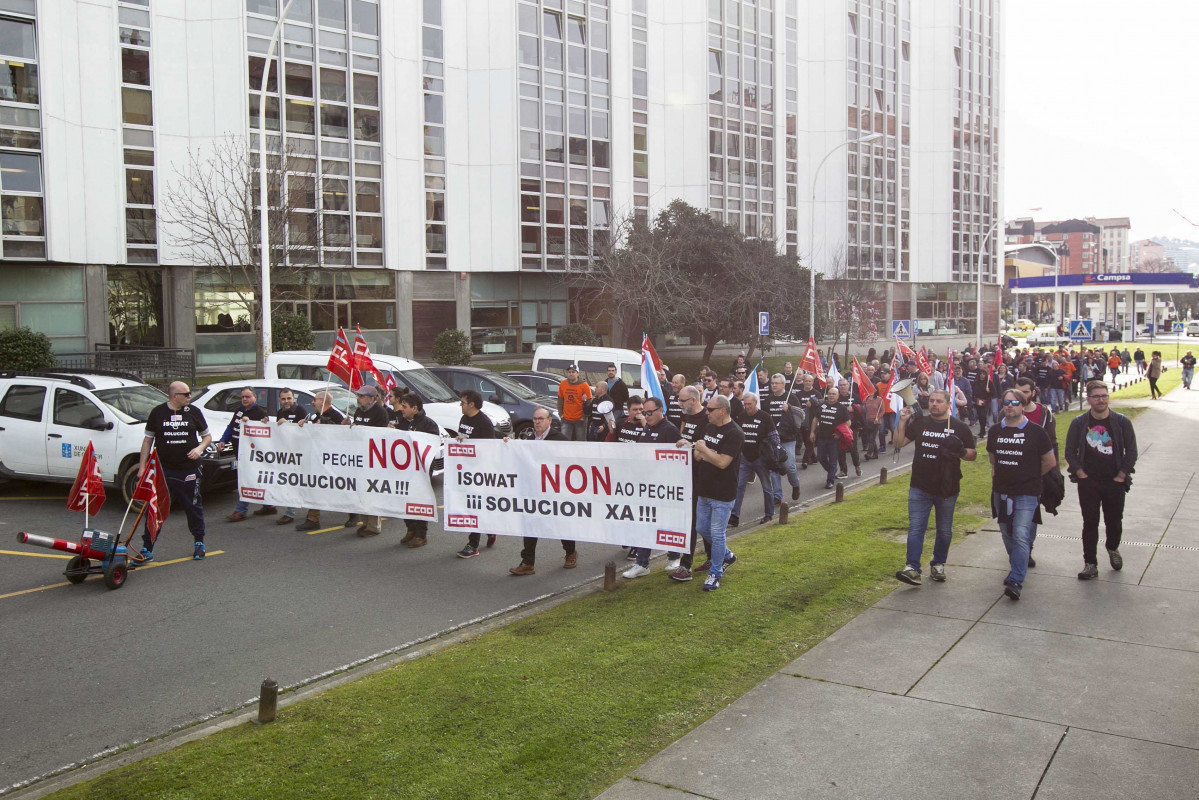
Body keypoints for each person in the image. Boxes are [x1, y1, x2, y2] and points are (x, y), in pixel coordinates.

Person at [893, 390, 977, 585]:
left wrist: (961, 450)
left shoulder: (959, 427)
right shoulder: (921, 422)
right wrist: (903, 421)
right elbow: (898, 443)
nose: (934, 404)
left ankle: (938, 564)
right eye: (931, 401)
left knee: (944, 530)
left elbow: (973, 455)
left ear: (948, 404)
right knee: (916, 528)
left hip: (947, 488)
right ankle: (912, 568)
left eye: (939, 401)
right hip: (920, 485)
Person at [988, 388, 1057, 601]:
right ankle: (1018, 562)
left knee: (1020, 533)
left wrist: (1030, 475)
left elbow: (1050, 462)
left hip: (1027, 492)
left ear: (1022, 405)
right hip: (1002, 492)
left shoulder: (1036, 432)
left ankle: (1016, 579)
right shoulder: (995, 431)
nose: (1010, 406)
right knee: (1006, 533)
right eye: (1006, 402)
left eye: (1015, 402)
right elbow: (993, 459)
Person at [1065, 380, 1138, 580]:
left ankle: (1113, 547)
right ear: (1088, 399)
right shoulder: (1079, 423)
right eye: (1096, 396)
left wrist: (1122, 475)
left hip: (1114, 481)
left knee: (1114, 521)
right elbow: (1070, 452)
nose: (1101, 400)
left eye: (1104, 396)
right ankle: (1090, 563)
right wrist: (1080, 473)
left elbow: (1131, 451)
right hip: (1088, 481)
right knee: (1090, 522)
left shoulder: (1122, 422)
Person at [139, 381, 212, 562]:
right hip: (163, 469)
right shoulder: (158, 413)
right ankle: (147, 548)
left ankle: (199, 542)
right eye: (186, 394)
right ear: (174, 396)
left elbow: (207, 437)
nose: (189, 397)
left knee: (192, 505)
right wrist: (142, 468)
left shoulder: (194, 412)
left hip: (188, 469)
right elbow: (147, 441)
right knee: (155, 508)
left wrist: (199, 449)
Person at [686, 395, 742, 592]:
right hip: (705, 489)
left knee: (718, 533)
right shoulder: (709, 427)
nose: (706, 412)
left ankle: (716, 572)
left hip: (723, 493)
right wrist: (705, 452)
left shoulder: (734, 433)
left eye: (710, 409)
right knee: (702, 527)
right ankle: (727, 555)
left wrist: (705, 451)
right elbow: (697, 456)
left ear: (722, 411)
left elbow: (723, 463)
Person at [622, 396, 683, 578]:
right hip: (646, 484)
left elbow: (677, 460)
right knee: (644, 521)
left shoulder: (670, 430)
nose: (645, 416)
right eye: (643, 412)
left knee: (668, 522)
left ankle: (674, 557)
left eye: (649, 412)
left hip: (664, 485)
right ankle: (642, 563)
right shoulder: (646, 427)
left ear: (660, 410)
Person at [509, 408, 574, 575]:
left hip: (555, 491)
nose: (537, 422)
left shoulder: (559, 440)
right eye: (535, 419)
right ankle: (528, 562)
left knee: (561, 523)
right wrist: (507, 444)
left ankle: (570, 552)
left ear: (549, 421)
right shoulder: (529, 440)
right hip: (534, 491)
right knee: (530, 525)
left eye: (541, 419)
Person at [668, 386, 714, 582]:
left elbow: (705, 448)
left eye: (682, 400)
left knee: (696, 521)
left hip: (702, 476)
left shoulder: (706, 418)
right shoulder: (687, 416)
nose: (679, 404)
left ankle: (687, 565)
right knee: (698, 521)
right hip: (687, 474)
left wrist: (690, 447)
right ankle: (712, 558)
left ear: (693, 400)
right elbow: (685, 437)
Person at [221, 387, 277, 523]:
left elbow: (265, 432)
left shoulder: (260, 413)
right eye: (242, 397)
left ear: (254, 398)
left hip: (251, 455)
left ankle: (241, 510)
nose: (244, 399)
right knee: (255, 480)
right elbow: (231, 427)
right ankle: (269, 505)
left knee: (245, 481)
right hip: (238, 452)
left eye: (247, 397)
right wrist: (223, 440)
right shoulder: (239, 411)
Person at [455, 389, 498, 557]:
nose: (461, 405)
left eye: (463, 402)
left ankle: (472, 545)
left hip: (480, 471)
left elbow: (488, 449)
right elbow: (462, 437)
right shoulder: (464, 418)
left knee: (475, 506)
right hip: (466, 470)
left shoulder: (484, 422)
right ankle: (491, 528)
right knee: (473, 505)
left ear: (471, 404)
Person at [395, 393, 441, 548]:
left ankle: (421, 534)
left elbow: (432, 445)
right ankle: (410, 529)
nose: (401, 409)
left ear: (414, 408)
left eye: (405, 406)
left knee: (419, 500)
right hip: (404, 468)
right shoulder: (401, 422)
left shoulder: (429, 424)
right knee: (404, 499)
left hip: (420, 469)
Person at [294, 390, 343, 531]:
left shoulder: (336, 415)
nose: (312, 402)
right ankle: (312, 518)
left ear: (322, 401)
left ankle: (353, 513)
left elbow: (340, 434)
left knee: (340, 488)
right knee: (314, 487)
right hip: (316, 458)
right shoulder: (316, 415)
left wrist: (325, 423)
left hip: (331, 460)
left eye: (315, 400)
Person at [345, 385, 390, 536]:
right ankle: (365, 522)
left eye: (362, 396)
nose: (358, 399)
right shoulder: (358, 411)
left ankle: (373, 525)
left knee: (371, 491)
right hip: (359, 457)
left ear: (372, 399)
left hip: (373, 458)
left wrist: (361, 430)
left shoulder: (380, 412)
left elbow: (379, 434)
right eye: (358, 396)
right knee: (361, 491)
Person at [731, 392, 776, 527]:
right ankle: (734, 516)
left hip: (760, 458)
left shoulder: (765, 417)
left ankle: (769, 513)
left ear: (756, 403)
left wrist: (775, 453)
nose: (747, 407)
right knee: (739, 486)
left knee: (767, 487)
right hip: (745, 457)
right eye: (745, 404)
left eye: (750, 404)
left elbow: (774, 435)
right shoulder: (741, 416)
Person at [762, 374, 802, 502]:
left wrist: (789, 409)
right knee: (774, 468)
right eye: (772, 383)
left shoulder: (792, 398)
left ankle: (795, 484)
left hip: (788, 439)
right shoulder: (768, 399)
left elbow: (800, 417)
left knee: (790, 466)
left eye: (776, 383)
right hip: (772, 439)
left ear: (783, 385)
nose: (773, 385)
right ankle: (777, 495)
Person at [274, 388, 308, 525]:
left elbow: (303, 431)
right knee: (292, 482)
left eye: (289, 398)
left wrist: (287, 425)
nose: (286, 401)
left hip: (300, 453)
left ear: (293, 398)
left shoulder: (301, 411)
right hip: (287, 453)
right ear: (280, 400)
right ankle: (290, 511)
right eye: (283, 399)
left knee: (299, 483)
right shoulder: (279, 412)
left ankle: (291, 513)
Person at [814, 386, 849, 490]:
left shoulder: (841, 408)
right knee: (821, 457)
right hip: (821, 437)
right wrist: (812, 432)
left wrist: (840, 433)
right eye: (830, 394)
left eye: (834, 394)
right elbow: (816, 419)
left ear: (838, 396)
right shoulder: (822, 405)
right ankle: (832, 470)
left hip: (834, 439)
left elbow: (848, 423)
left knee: (833, 460)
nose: (831, 396)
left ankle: (830, 481)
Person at [835, 377, 862, 478]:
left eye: (844, 385)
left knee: (852, 448)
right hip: (838, 427)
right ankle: (843, 471)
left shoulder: (854, 396)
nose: (842, 387)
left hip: (852, 427)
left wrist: (854, 409)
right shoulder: (835, 397)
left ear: (848, 386)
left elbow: (862, 409)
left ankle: (857, 465)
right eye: (840, 385)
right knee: (840, 449)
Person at [557, 364, 592, 441]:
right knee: (564, 441)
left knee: (581, 442)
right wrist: (561, 414)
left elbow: (589, 402)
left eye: (573, 372)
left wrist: (584, 416)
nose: (571, 374)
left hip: (580, 419)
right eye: (569, 372)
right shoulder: (563, 383)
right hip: (566, 418)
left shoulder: (584, 385)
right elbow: (560, 399)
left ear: (578, 373)